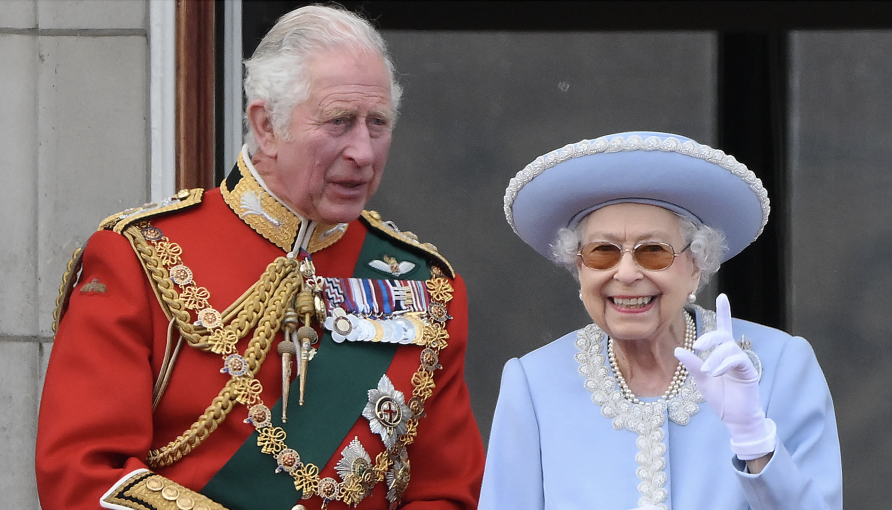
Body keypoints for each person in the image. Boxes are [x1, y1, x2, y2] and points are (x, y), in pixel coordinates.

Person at [36, 5, 484, 510]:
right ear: (266, 125)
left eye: (376, 123)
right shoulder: (139, 257)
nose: (363, 150)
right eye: (339, 121)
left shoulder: (426, 287)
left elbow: (446, 493)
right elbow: (83, 477)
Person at [480, 131, 841, 509]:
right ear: (579, 268)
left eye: (653, 251)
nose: (626, 273)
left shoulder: (781, 365)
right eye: (603, 252)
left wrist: (754, 440)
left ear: (697, 267)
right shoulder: (534, 383)